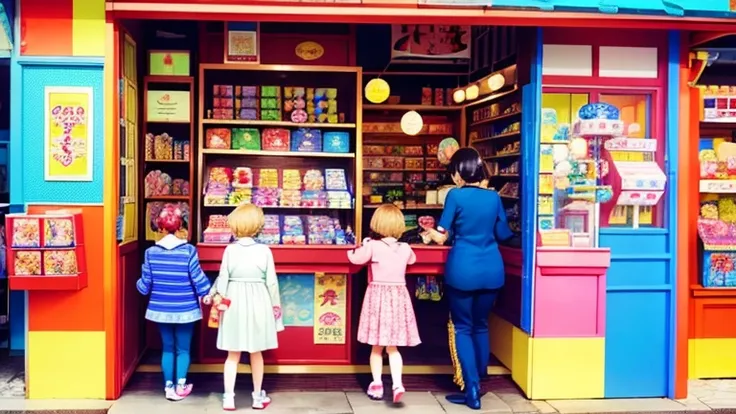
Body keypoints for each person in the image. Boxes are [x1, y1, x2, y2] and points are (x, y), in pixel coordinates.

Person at [422, 148, 514, 410]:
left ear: (459, 172)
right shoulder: (493, 197)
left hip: (463, 269)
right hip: (492, 269)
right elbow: (503, 232)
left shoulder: (455, 195)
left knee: (462, 326)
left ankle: (471, 388)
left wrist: (429, 232)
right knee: (481, 325)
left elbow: (443, 234)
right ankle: (481, 383)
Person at [203, 204, 284, 411]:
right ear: (257, 225)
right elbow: (272, 283)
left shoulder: (230, 250)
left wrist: (216, 297)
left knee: (232, 354)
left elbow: (223, 279)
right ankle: (257, 397)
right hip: (259, 299)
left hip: (234, 300)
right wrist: (275, 308)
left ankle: (228, 397)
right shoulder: (265, 250)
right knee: (256, 353)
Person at [136, 204, 211, 401]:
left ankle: (168, 387)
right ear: (180, 227)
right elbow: (198, 279)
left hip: (161, 309)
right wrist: (208, 293)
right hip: (186, 309)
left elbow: (145, 286)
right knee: (183, 349)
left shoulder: (150, 253)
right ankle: (181, 385)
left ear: (159, 228)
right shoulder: (188, 251)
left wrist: (136, 283)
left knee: (167, 347)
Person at [348, 204, 421, 403]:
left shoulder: (373, 246)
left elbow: (355, 259)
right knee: (393, 348)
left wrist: (361, 244)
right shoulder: (405, 248)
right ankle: (397, 383)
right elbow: (412, 260)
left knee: (376, 347)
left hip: (377, 298)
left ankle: (377, 384)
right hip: (398, 298)